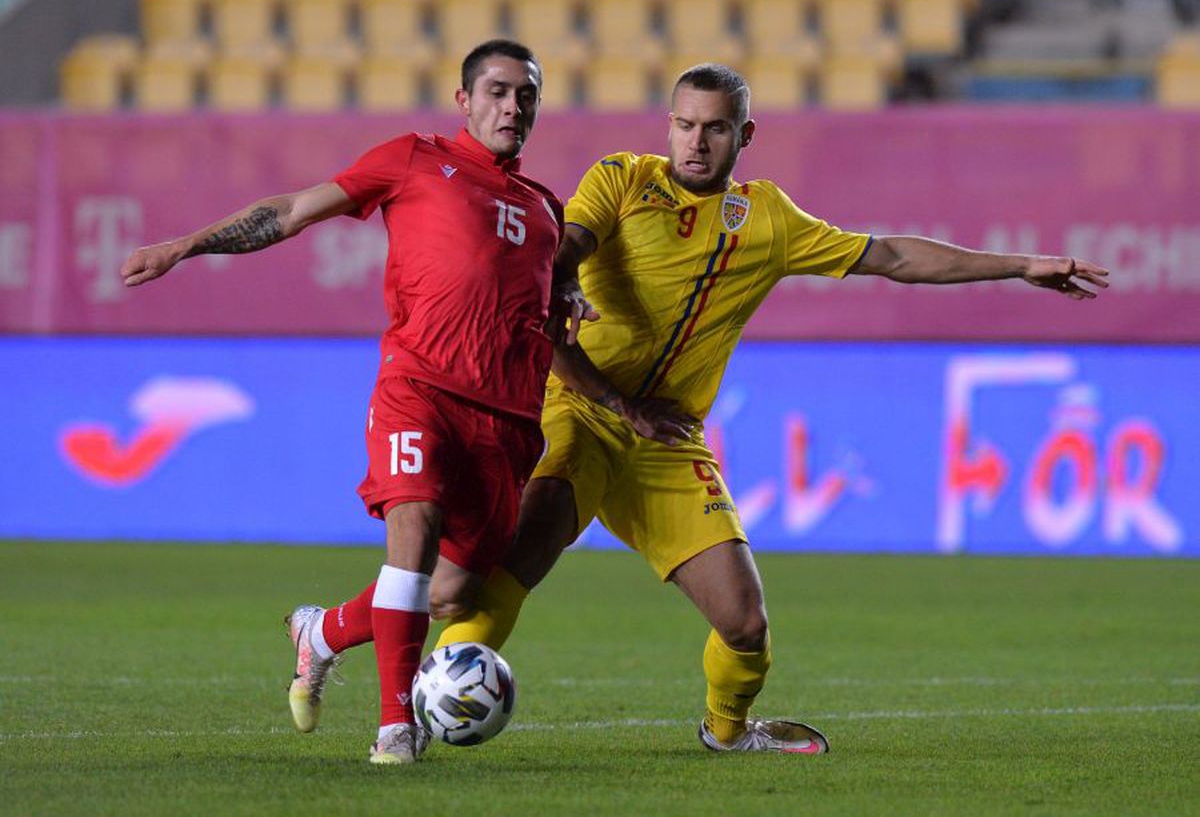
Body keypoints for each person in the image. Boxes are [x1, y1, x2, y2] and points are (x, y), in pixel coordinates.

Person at [430, 63, 1110, 754]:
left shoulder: (768, 219)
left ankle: (726, 734)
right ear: (668, 125)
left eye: (716, 128)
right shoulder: (623, 179)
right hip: (583, 407)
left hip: (666, 437)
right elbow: (564, 249)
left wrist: (1020, 264)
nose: (696, 142)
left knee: (745, 624)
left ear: (744, 134)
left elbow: (894, 257)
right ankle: (420, 709)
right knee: (521, 558)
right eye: (686, 125)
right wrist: (578, 308)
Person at [119, 39, 568, 765]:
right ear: (463, 100)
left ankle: (321, 632)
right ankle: (396, 726)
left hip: (509, 422)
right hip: (419, 388)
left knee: (451, 590)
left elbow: (555, 295)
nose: (511, 106)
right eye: (496, 90)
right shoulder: (415, 159)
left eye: (525, 95)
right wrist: (187, 244)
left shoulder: (547, 212)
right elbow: (293, 209)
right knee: (413, 533)